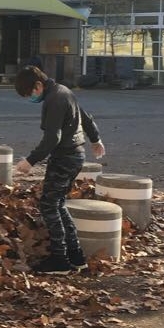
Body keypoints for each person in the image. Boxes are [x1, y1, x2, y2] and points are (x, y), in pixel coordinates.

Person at [12, 66, 106, 275]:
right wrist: (95, 139)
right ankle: (76, 256)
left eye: (30, 93)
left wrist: (30, 161)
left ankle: (60, 260)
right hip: (75, 155)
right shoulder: (64, 91)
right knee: (58, 204)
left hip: (64, 157)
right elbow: (86, 117)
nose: (31, 98)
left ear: (38, 85)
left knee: (48, 205)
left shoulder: (54, 99)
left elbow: (52, 138)